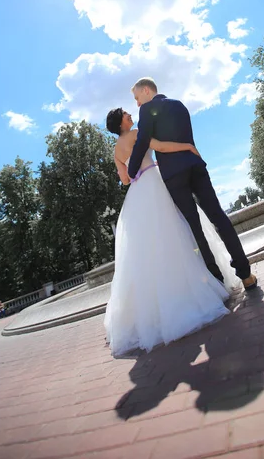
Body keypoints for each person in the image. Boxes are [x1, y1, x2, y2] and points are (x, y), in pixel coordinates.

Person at [104, 107, 238, 357]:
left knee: (151, 246)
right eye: (126, 114)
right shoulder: (135, 134)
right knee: (181, 228)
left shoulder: (115, 151)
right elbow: (161, 147)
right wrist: (186, 147)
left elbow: (124, 180)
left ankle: (158, 308)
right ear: (121, 122)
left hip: (137, 194)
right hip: (155, 181)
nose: (130, 115)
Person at [128, 77, 257, 290]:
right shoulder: (180, 105)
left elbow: (142, 141)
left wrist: (132, 172)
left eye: (137, 97)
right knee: (219, 217)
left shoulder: (147, 109)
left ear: (146, 91)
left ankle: (218, 282)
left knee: (194, 228)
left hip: (174, 175)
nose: (137, 103)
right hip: (196, 166)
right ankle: (246, 274)